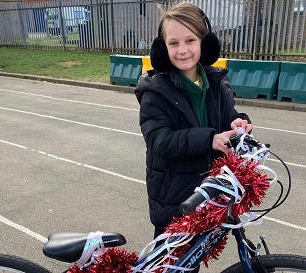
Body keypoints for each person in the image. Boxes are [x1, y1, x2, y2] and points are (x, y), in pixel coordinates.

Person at [134, 2, 253, 271]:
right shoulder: (155, 90)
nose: (183, 50)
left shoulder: (216, 81)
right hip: (175, 198)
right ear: (162, 48)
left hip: (210, 193)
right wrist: (210, 139)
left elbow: (227, 117)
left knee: (192, 264)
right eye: (173, 43)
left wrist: (239, 122)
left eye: (190, 40)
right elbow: (160, 141)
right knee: (172, 266)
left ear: (204, 43)